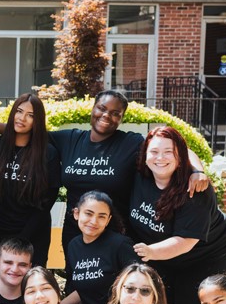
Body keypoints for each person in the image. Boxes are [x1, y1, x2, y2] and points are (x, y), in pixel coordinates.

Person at [47, 91, 209, 248]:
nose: (106, 115)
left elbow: (178, 150)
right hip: (75, 231)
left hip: (115, 233)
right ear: (93, 109)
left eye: (115, 113)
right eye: (102, 108)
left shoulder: (130, 143)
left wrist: (197, 171)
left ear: (122, 118)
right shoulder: (69, 139)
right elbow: (34, 138)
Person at [129, 126, 226, 304]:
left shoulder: (195, 190)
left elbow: (185, 242)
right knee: (161, 302)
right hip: (162, 250)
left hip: (207, 252)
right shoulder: (140, 174)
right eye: (154, 152)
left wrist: (150, 251)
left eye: (168, 152)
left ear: (179, 158)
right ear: (145, 154)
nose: (160, 158)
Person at [0, 93, 59, 269]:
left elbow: (47, 201)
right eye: (19, 111)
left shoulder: (48, 153)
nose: (22, 118)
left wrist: (22, 238)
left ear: (37, 121)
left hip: (32, 236)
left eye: (30, 115)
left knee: (28, 288)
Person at [59, 191, 139, 304]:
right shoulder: (73, 246)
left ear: (108, 220)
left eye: (101, 216)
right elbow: (84, 291)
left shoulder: (120, 245)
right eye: (88, 214)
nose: (94, 221)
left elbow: (141, 285)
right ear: (76, 213)